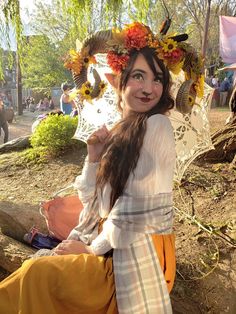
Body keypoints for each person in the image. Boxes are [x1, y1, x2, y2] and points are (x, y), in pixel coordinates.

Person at [0, 22, 203, 313]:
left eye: (157, 79)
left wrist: (89, 249)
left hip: (139, 256)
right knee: (29, 273)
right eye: (138, 76)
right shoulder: (123, 130)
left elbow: (136, 212)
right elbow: (96, 204)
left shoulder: (157, 126)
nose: (148, 88)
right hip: (114, 244)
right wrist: (94, 156)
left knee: (38, 276)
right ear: (117, 81)